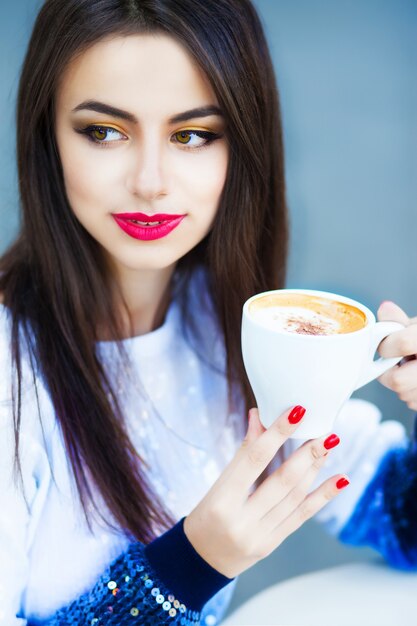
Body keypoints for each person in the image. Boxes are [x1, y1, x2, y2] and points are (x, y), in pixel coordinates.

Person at [0, 1, 416, 624]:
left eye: (192, 135)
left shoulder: (229, 327)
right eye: (104, 132)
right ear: (47, 139)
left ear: (242, 149)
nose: (150, 181)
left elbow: (401, 521)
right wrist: (191, 566)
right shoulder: (11, 367)